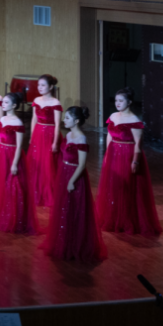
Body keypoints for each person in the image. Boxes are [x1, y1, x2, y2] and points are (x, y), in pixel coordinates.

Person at [41, 106, 106, 262]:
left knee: (75, 210)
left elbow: (82, 165)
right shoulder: (69, 134)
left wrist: (71, 181)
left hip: (75, 177)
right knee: (64, 208)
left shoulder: (81, 139)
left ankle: (76, 244)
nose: (64, 120)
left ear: (76, 121)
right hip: (64, 173)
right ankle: (63, 242)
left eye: (68, 118)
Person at [97, 86, 162, 237]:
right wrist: (107, 154)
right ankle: (113, 217)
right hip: (114, 153)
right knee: (114, 186)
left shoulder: (134, 120)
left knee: (127, 187)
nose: (117, 103)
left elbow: (138, 143)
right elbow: (109, 136)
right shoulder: (113, 116)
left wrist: (135, 161)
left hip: (127, 155)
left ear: (129, 102)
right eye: (116, 100)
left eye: (121, 101)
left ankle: (127, 219)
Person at [0, 93, 37, 235]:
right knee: (0, 184)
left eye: (6, 102)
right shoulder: (3, 119)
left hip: (11, 155)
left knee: (12, 186)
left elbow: (19, 145)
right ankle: (0, 213)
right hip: (1, 153)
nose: (2, 104)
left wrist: (15, 163)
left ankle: (13, 217)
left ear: (14, 105)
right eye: (2, 102)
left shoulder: (18, 122)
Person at [28, 75, 62, 207]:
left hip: (50, 134)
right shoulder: (36, 100)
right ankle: (36, 191)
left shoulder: (55, 102)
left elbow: (58, 124)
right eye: (38, 85)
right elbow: (34, 119)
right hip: (38, 133)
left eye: (43, 85)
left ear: (51, 87)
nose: (40, 87)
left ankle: (49, 193)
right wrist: (32, 136)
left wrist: (55, 142)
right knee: (37, 162)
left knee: (49, 164)